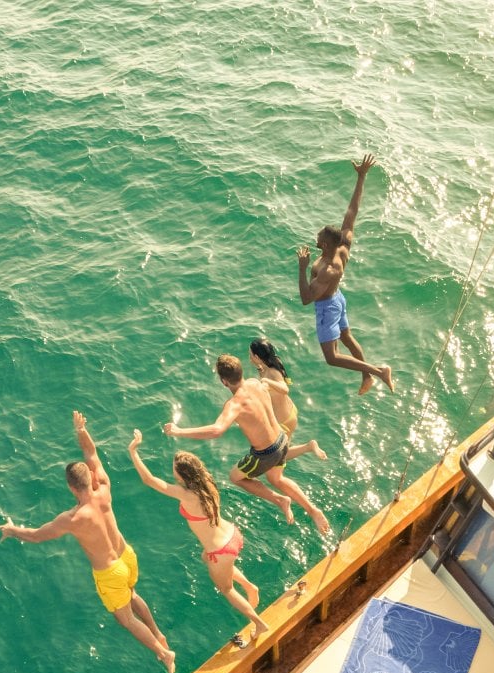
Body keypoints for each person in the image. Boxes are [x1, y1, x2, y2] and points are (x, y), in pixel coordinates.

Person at [0, 410, 175, 673]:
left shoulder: (73, 518)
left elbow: (35, 536)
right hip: (127, 555)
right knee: (134, 594)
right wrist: (81, 430)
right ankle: (158, 633)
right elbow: (92, 455)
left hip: (110, 572)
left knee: (126, 620)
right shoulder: (104, 487)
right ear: (91, 478)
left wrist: (12, 530)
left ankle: (163, 653)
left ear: (71, 487)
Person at [126, 430, 271, 649]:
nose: (172, 470)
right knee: (208, 558)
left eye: (174, 468)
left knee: (226, 589)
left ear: (182, 475)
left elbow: (149, 480)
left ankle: (259, 623)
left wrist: (133, 451)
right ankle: (250, 587)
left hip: (221, 550)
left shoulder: (186, 495)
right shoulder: (207, 483)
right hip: (232, 535)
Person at [165, 355, 331, 534]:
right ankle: (313, 510)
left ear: (223, 381)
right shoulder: (255, 383)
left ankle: (280, 500)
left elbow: (217, 430)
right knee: (276, 478)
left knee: (235, 477)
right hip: (282, 440)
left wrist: (178, 431)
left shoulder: (234, 404)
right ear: (241, 372)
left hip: (265, 453)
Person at [298, 154, 394, 395]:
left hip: (327, 307)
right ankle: (366, 377)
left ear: (326, 246)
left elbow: (307, 298)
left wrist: (302, 267)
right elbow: (353, 211)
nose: (316, 238)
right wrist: (361, 177)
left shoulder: (329, 269)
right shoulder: (343, 245)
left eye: (319, 238)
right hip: (338, 298)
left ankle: (378, 371)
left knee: (332, 357)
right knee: (347, 337)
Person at [249, 338, 325, 465]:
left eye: (250, 354)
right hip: (288, 413)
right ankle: (308, 447)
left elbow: (284, 388)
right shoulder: (267, 366)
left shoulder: (272, 371)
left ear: (256, 356)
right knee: (282, 453)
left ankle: (309, 446)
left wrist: (266, 382)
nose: (249, 357)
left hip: (284, 421)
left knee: (279, 457)